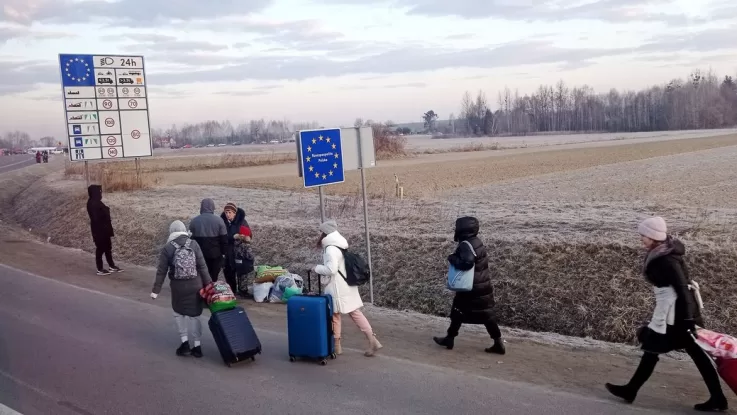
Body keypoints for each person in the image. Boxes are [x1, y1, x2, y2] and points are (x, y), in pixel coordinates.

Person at [605, 216, 727, 412]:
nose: (640, 238)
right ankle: (631, 389)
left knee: (662, 350)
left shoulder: (666, 259)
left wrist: (688, 319)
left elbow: (682, 288)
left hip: (677, 315)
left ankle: (718, 398)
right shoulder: (661, 253)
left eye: (643, 235)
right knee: (658, 350)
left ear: (653, 236)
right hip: (673, 311)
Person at [433, 216, 505, 355]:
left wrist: (452, 258)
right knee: (487, 315)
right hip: (482, 285)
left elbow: (467, 263)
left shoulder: (465, 244)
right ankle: (498, 343)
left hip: (471, 288)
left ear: (462, 229)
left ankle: (450, 338)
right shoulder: (476, 241)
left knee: (458, 311)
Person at [312, 219, 382, 357]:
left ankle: (337, 346)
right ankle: (372, 339)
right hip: (347, 284)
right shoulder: (340, 245)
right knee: (355, 313)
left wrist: (317, 268)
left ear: (325, 233)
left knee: (335, 316)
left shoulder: (330, 249)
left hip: (337, 287)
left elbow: (331, 269)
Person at [150, 220, 212, 358]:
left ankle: (184, 344)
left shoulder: (168, 248)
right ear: (184, 230)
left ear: (172, 232)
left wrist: (156, 291)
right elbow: (203, 267)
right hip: (196, 286)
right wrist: (209, 286)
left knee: (179, 314)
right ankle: (197, 346)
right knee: (195, 316)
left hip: (178, 287)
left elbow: (161, 271)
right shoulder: (194, 244)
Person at [86, 185, 122, 275]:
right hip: (98, 230)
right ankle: (100, 269)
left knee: (108, 248)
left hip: (104, 229)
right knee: (100, 249)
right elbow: (96, 217)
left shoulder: (97, 202)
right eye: (99, 191)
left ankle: (111, 266)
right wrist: (105, 211)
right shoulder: (92, 203)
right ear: (95, 193)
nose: (100, 193)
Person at [189, 198, 227, 282]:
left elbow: (190, 240)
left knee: (201, 278)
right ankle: (211, 293)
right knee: (213, 278)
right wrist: (224, 255)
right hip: (215, 255)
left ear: (201, 207)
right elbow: (224, 240)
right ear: (213, 207)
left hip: (199, 255)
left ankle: (201, 293)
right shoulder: (219, 221)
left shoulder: (194, 221)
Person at [220, 202, 251, 296]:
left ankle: (243, 291)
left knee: (242, 271)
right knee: (229, 271)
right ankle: (232, 290)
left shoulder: (242, 221)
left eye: (229, 212)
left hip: (240, 251)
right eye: (226, 212)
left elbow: (249, 234)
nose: (227, 214)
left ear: (234, 212)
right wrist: (233, 237)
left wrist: (245, 237)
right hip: (227, 251)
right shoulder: (222, 222)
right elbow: (222, 237)